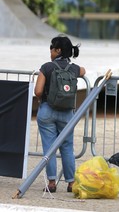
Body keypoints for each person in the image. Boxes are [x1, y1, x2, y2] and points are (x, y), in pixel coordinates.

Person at [34, 34, 86, 193]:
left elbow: (38, 91)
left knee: (49, 148)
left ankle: (51, 183)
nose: (50, 51)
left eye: (51, 48)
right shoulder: (74, 69)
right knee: (67, 147)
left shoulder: (47, 67)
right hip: (67, 114)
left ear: (57, 50)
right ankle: (71, 183)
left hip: (47, 111)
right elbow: (83, 71)